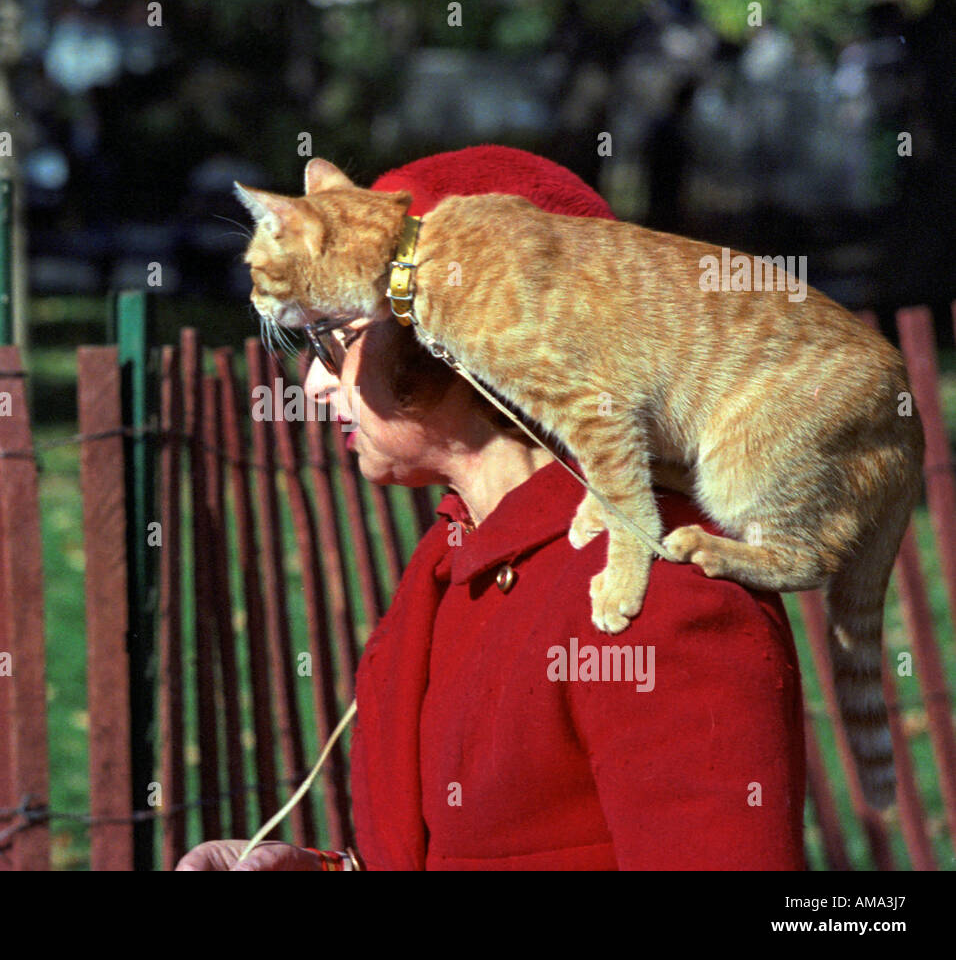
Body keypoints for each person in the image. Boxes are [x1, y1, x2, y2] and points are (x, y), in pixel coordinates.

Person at [176, 146, 806, 871]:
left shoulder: (660, 590)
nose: (315, 384)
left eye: (333, 336)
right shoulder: (456, 556)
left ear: (455, 331)